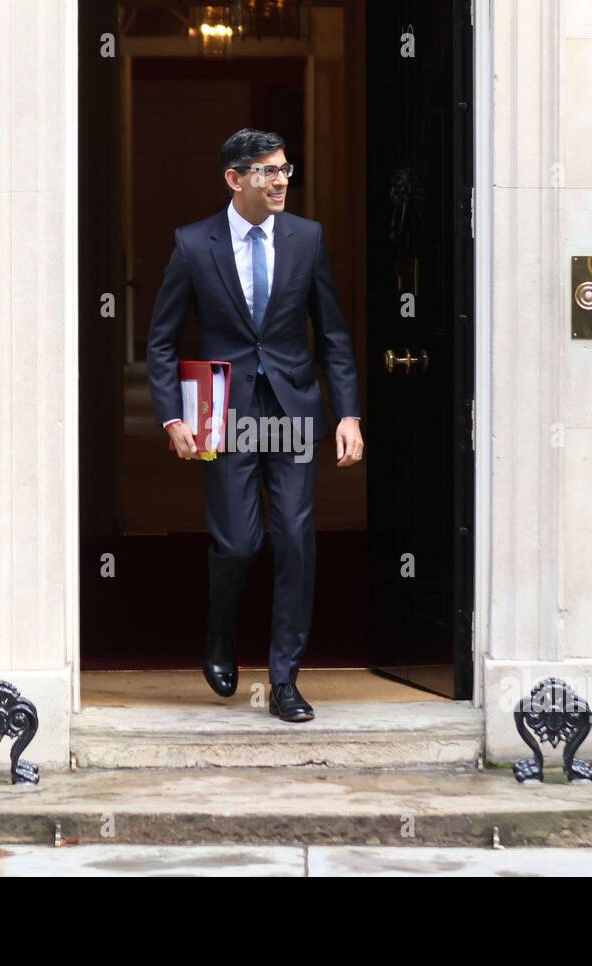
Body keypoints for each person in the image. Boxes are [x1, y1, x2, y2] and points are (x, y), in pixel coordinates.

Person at [146, 128, 363, 722]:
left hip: (293, 410)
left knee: (294, 540)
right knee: (240, 543)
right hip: (226, 416)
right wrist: (171, 415)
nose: (280, 181)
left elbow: (335, 336)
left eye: (285, 169)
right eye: (267, 171)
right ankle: (219, 634)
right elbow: (161, 341)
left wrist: (348, 413)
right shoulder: (193, 245)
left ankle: (285, 679)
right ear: (234, 179)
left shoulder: (307, 239)